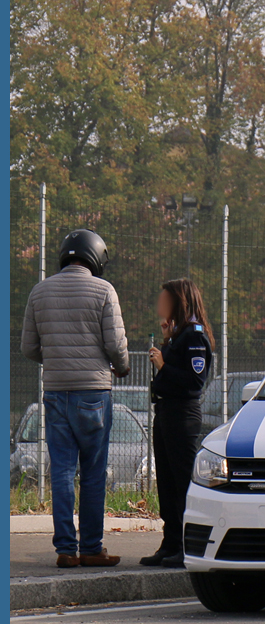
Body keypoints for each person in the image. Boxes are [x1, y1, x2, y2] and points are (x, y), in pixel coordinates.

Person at [21, 229, 130, 568]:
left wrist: (56, 359)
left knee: (63, 471)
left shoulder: (39, 291)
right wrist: (121, 367)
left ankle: (66, 549)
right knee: (94, 473)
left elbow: (28, 347)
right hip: (94, 394)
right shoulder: (104, 290)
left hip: (54, 392)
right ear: (95, 257)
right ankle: (92, 548)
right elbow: (115, 344)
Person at [141, 278, 214, 568]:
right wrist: (168, 341)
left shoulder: (195, 336)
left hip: (182, 415)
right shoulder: (180, 335)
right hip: (166, 413)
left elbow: (194, 381)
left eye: (166, 299)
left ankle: (186, 545)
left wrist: (162, 364)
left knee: (182, 482)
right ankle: (169, 542)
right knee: (167, 483)